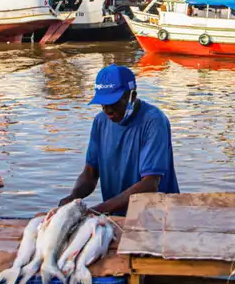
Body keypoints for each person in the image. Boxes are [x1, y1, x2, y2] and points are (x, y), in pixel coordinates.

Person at [59, 64, 179, 215]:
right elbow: (90, 174)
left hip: (157, 216)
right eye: (103, 104)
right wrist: (73, 197)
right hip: (115, 215)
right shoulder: (100, 122)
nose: (108, 110)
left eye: (115, 103)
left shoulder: (154, 122)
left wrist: (98, 210)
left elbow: (150, 183)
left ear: (132, 96)